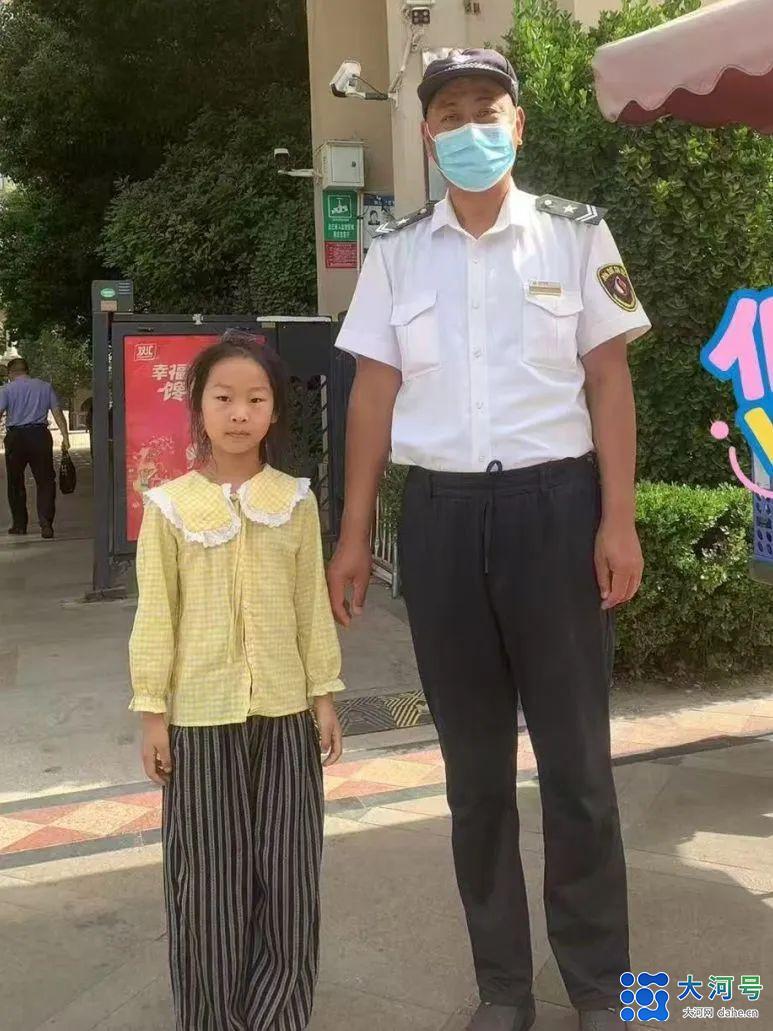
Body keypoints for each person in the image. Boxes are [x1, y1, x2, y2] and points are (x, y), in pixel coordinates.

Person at [328, 49, 651, 1031]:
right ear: (427, 136)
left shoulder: (573, 234)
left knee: (577, 767)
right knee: (473, 778)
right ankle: (503, 986)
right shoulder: (396, 254)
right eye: (450, 113)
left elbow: (607, 381)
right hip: (441, 520)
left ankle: (601, 983)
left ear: (517, 125)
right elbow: (373, 395)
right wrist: (352, 535)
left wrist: (617, 516)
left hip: (556, 513)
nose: (469, 126)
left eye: (486, 108)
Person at [129, 331, 344, 1031]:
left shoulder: (295, 502)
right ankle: (212, 1016)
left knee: (287, 875)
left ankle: (278, 1013)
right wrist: (152, 712)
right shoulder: (169, 507)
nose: (239, 413)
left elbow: (310, 606)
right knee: (208, 884)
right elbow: (156, 615)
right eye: (223, 398)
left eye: (256, 399)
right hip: (199, 719)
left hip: (285, 714)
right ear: (199, 407)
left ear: (275, 410)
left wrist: (323, 695)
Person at [0, 357, 70, 539]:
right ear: (27, 370)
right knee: (45, 480)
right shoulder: (45, 387)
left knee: (15, 482)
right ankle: (46, 524)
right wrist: (65, 436)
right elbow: (57, 412)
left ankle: (19, 525)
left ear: (11, 373)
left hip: (16, 438)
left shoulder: (6, 390)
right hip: (39, 436)